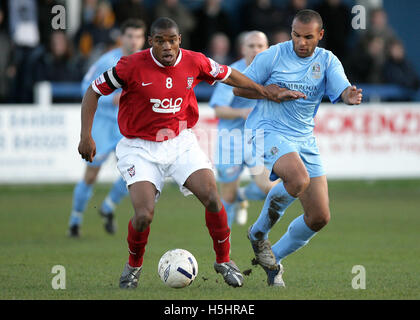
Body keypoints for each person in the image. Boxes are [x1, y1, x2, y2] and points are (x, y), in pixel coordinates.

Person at [77, 17, 284, 289]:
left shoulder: (194, 61)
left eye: (172, 40)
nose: (167, 46)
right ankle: (133, 267)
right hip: (139, 146)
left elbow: (228, 74)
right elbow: (93, 91)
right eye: (160, 41)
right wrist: (85, 135)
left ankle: (224, 260)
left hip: (179, 141)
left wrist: (262, 91)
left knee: (212, 197)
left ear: (179, 41)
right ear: (151, 42)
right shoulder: (130, 65)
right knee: (144, 216)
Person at [233, 9, 362, 287]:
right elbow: (238, 88)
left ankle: (273, 260)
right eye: (296, 35)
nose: (301, 42)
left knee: (318, 217)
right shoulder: (273, 55)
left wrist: (348, 95)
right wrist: (270, 92)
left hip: (304, 138)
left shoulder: (327, 60)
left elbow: (342, 88)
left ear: (320, 36)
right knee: (298, 179)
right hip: (267, 130)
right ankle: (258, 234)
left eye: (307, 37)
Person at [68, 19, 147, 237]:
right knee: (91, 174)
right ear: (122, 38)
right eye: (130, 36)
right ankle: (75, 219)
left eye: (138, 36)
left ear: (144, 38)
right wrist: (111, 98)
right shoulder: (107, 61)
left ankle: (108, 206)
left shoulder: (146, 61)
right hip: (104, 124)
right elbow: (87, 87)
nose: (134, 41)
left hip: (128, 125)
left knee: (132, 172)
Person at [209, 31, 277, 228]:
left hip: (259, 139)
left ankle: (243, 195)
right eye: (251, 46)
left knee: (269, 188)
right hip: (231, 140)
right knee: (226, 197)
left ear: (267, 49)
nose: (255, 50)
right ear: (243, 49)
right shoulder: (231, 73)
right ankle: (223, 250)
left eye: (260, 46)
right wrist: (241, 113)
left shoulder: (275, 73)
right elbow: (218, 110)